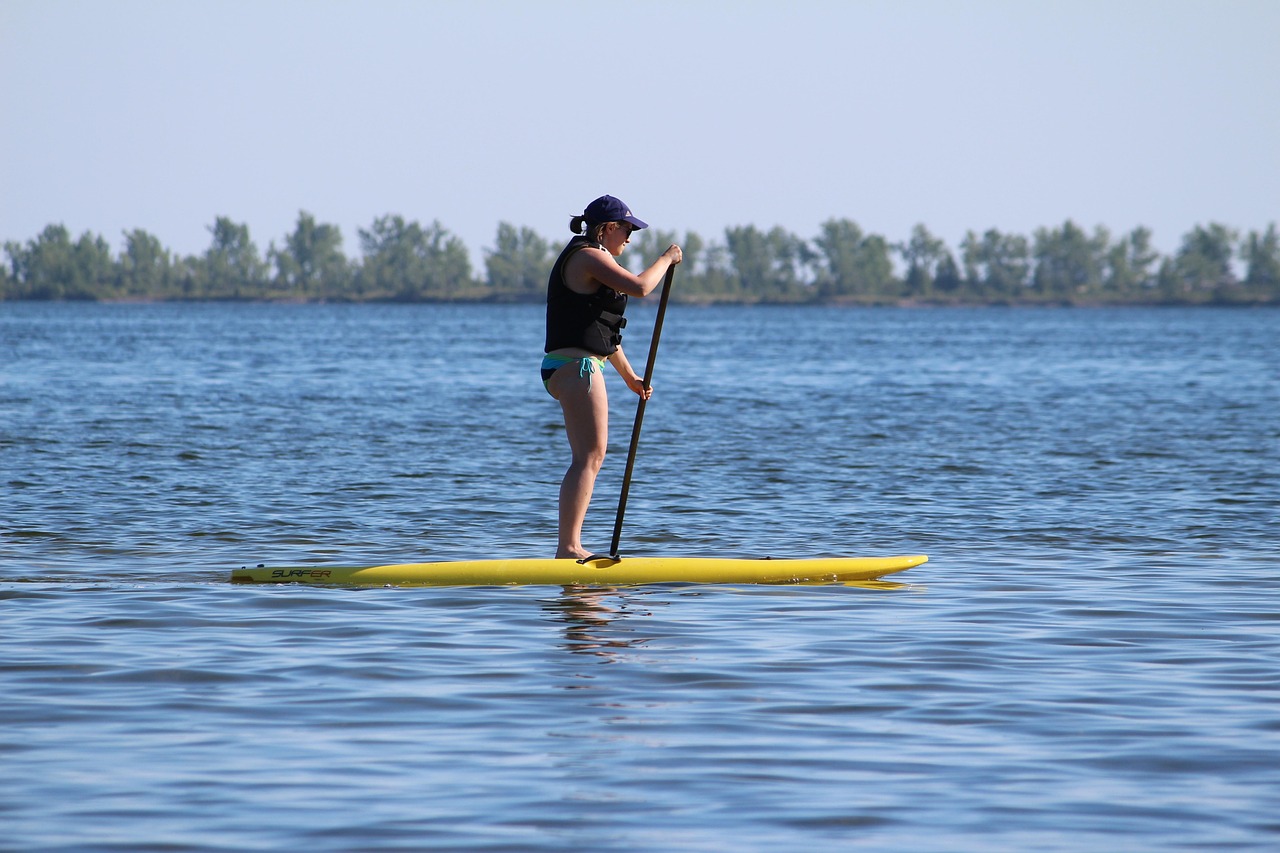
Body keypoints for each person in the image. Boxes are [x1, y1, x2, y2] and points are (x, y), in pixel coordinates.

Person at [542, 194, 682, 559]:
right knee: (589, 455)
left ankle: (568, 546)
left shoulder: (595, 260)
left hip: (577, 364)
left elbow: (600, 335)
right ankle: (569, 548)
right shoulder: (587, 256)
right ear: (606, 229)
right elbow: (640, 287)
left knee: (591, 455)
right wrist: (666, 259)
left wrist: (631, 378)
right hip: (577, 367)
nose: (631, 238)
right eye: (627, 229)